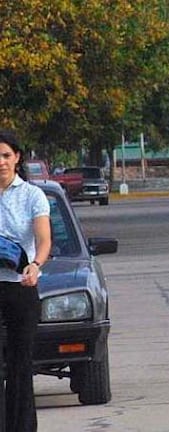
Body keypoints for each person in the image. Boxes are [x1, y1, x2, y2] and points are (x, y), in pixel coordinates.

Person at [0, 130, 51, 431]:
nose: (1, 162)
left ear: (17, 158)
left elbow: (44, 240)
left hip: (21, 286)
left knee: (20, 366)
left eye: (6, 155)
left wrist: (34, 264)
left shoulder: (32, 195)